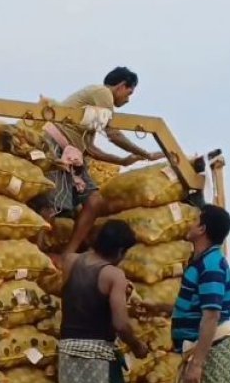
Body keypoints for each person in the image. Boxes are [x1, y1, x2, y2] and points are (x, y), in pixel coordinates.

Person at [31, 67, 164, 258]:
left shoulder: (95, 110)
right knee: (53, 206)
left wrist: (122, 161)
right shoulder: (103, 94)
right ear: (121, 86)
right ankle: (37, 254)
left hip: (74, 153)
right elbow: (113, 134)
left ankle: (69, 252)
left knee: (95, 202)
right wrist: (145, 153)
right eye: (129, 93)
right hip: (57, 147)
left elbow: (89, 149)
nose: (128, 99)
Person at [141, 204, 230, 383]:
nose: (189, 222)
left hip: (212, 351)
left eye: (194, 219)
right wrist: (158, 308)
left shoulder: (211, 265)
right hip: (199, 350)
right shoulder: (198, 263)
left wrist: (197, 364)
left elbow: (211, 315)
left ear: (202, 229)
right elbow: (196, 307)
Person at [56, 219, 150, 383]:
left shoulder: (71, 262)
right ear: (119, 251)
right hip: (99, 354)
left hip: (68, 350)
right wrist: (137, 346)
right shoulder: (113, 275)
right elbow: (120, 323)